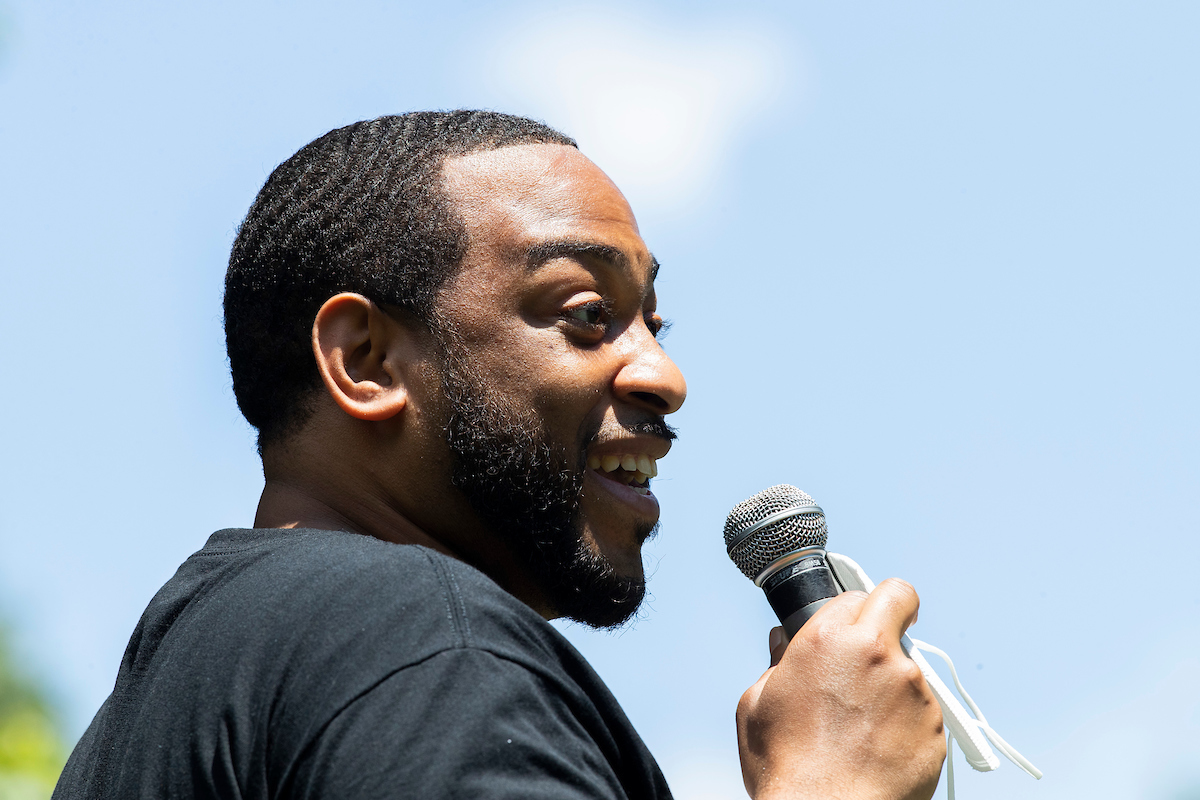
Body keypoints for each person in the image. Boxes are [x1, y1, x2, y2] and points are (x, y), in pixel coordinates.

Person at [54, 111, 946, 799]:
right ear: (366, 360)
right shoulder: (425, 647)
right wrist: (832, 783)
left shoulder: (163, 707)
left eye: (653, 324)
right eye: (587, 314)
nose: (665, 376)